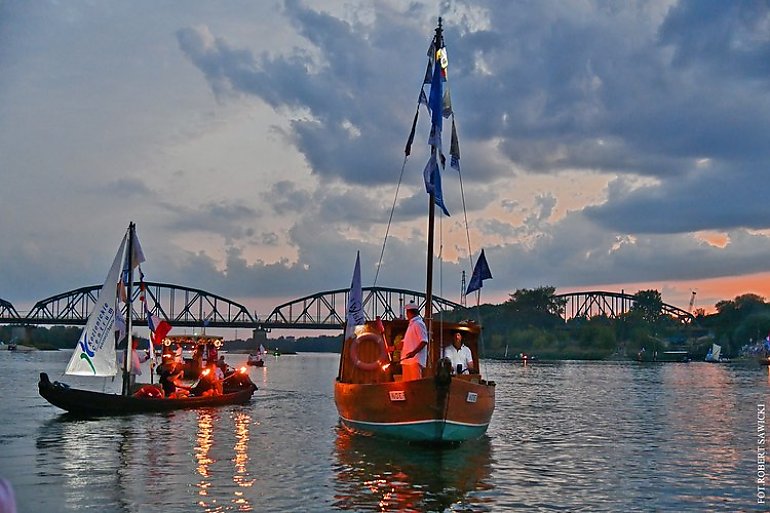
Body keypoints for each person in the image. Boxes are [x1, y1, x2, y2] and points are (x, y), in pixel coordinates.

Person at [400, 302, 428, 381]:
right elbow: (407, 342)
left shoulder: (418, 324)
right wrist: (395, 347)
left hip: (415, 361)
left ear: (409, 312)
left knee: (415, 384)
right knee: (406, 385)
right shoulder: (411, 325)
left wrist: (414, 352)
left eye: (407, 312)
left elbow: (424, 341)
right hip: (407, 361)